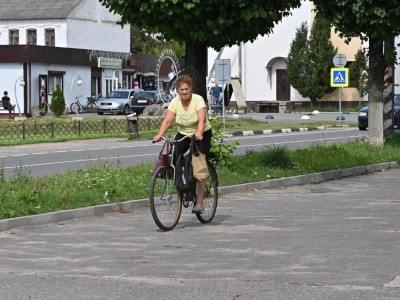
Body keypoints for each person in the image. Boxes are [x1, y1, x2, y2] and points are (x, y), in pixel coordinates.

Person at [153, 75, 212, 214]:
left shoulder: (198, 100)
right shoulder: (175, 102)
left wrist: (199, 133)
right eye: (181, 89)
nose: (184, 92)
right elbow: (167, 121)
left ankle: (200, 202)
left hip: (201, 134)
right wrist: (159, 135)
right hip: (183, 134)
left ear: (190, 89)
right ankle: (183, 183)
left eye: (186, 89)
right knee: (174, 156)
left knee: (198, 165)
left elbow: (202, 121)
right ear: (178, 91)